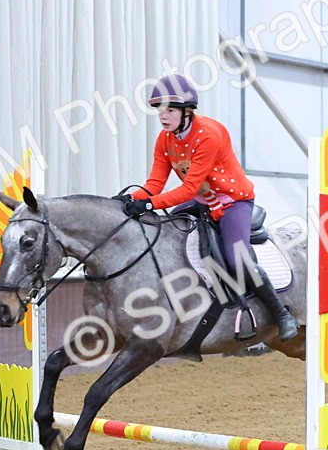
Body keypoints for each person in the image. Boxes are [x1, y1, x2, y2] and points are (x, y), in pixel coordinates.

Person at [121, 74, 298, 341]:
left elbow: (188, 188)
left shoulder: (209, 135)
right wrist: (133, 199)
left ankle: (281, 314)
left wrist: (149, 203)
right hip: (202, 201)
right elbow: (155, 182)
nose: (163, 116)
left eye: (170, 110)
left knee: (237, 258)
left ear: (187, 112)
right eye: (160, 110)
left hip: (233, 203)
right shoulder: (165, 139)